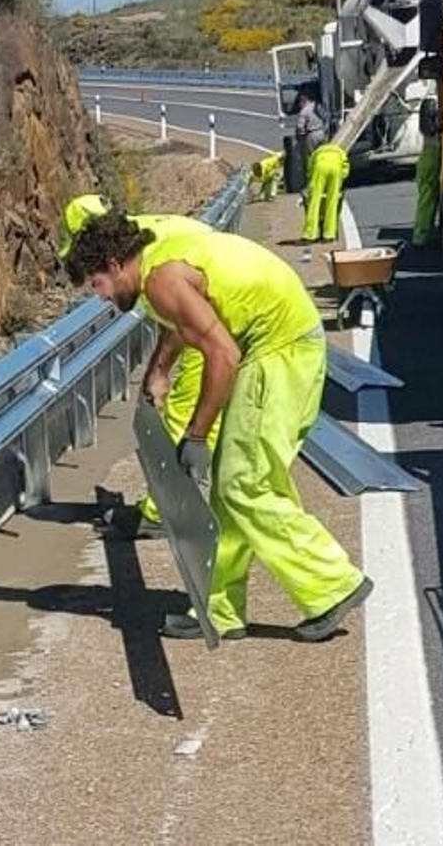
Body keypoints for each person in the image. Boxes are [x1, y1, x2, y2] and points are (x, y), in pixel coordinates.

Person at [65, 214, 373, 642]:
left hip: (280, 352)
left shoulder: (160, 280)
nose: (100, 298)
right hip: (280, 346)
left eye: (97, 285)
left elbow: (222, 354)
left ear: (116, 265)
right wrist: (159, 370)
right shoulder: (160, 262)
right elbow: (183, 324)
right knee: (233, 488)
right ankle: (220, 608)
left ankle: (333, 583)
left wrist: (195, 435)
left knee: (245, 484)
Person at [58, 195, 219, 537]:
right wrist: (157, 369)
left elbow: (179, 317)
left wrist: (159, 370)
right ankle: (176, 501)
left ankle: (161, 512)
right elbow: (172, 318)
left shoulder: (140, 252)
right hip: (213, 308)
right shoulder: (138, 236)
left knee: (185, 412)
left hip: (215, 314)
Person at [301, 141, 350, 243]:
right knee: (332, 202)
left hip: (320, 167)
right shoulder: (339, 150)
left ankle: (310, 235)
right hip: (335, 169)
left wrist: (312, 183)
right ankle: (329, 235)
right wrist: (340, 180)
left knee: (313, 202)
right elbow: (345, 168)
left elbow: (310, 169)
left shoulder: (317, 152)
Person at [412, 98, 443, 247]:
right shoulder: (434, 129)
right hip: (431, 161)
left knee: (426, 199)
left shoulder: (427, 127)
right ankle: (420, 235)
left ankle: (422, 233)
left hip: (426, 161)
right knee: (427, 199)